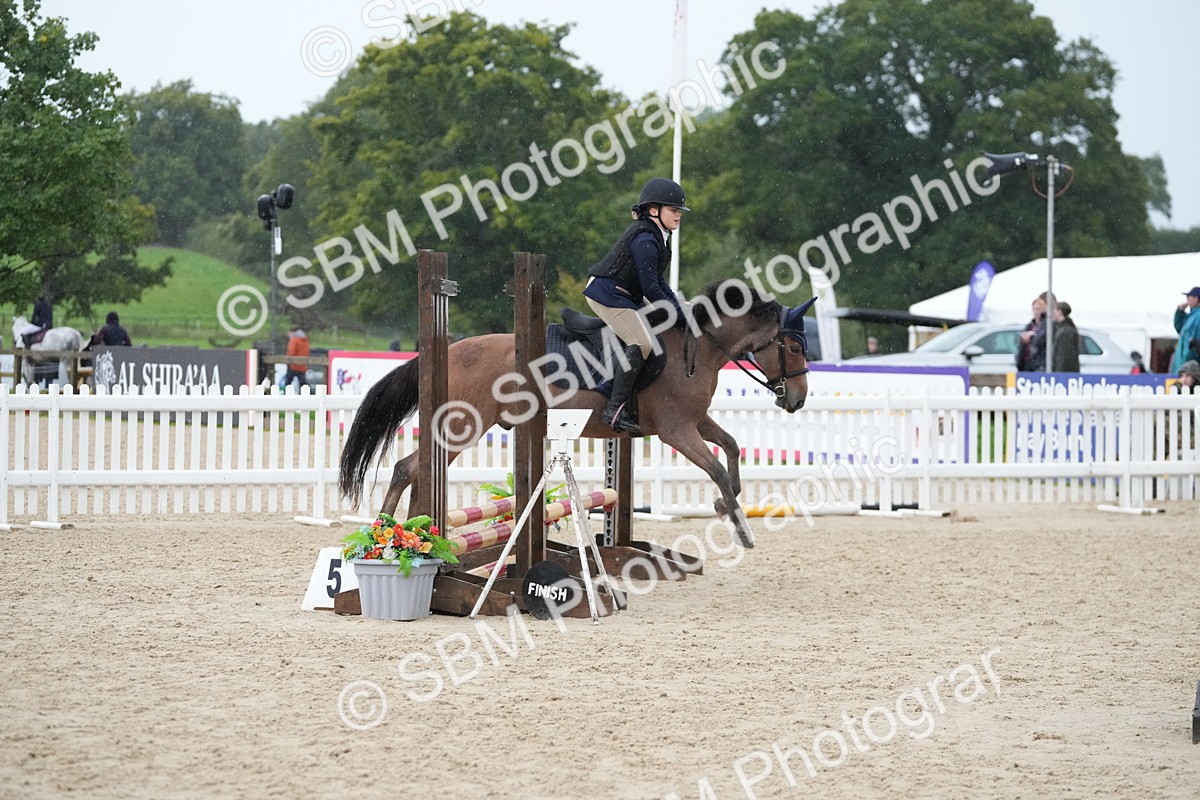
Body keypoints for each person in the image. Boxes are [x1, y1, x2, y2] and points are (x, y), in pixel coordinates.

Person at [583, 177, 690, 435]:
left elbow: (659, 282)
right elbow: (652, 289)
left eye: (679, 211)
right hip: (607, 294)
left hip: (626, 293)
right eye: (673, 210)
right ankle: (614, 408)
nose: (678, 216)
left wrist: (678, 307)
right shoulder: (645, 239)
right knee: (641, 343)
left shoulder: (659, 236)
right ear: (654, 210)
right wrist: (676, 313)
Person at [1016, 293, 1051, 371]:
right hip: (1026, 364)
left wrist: (1031, 337)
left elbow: (1042, 341)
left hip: (1039, 365)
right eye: (1034, 309)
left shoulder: (1046, 325)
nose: (1036, 312)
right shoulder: (1029, 326)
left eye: (1038, 309)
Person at [1170, 286, 1200, 374]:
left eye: (1189, 296)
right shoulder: (1192, 315)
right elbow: (1179, 328)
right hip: (1184, 361)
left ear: (1196, 298)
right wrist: (1180, 312)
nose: (1187, 299)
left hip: (1190, 362)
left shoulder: (1198, 315)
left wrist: (1193, 352)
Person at [1050, 301, 1080, 372]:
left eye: (1055, 310)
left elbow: (1063, 356)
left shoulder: (1065, 331)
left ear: (1059, 311)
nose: (1053, 312)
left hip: (1065, 373)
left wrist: (1058, 373)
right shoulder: (1064, 329)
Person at [282, 326, 310, 391]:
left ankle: (285, 396)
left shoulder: (294, 340)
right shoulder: (305, 340)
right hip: (302, 366)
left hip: (293, 365)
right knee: (303, 384)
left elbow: (291, 352)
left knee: (288, 383)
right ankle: (309, 396)